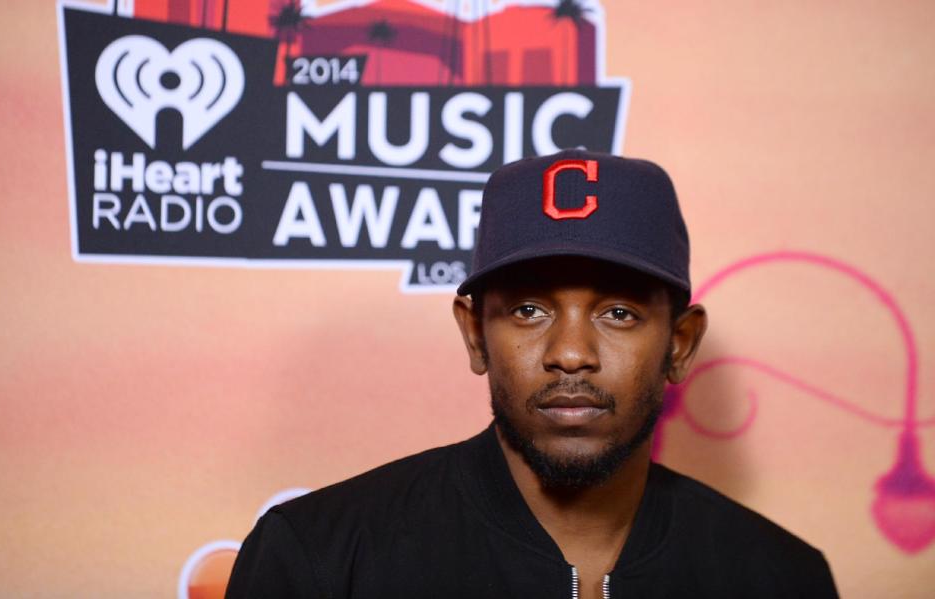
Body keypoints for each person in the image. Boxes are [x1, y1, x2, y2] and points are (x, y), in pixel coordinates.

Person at [225, 150, 838, 598]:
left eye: (618, 313)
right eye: (528, 310)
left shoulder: (782, 576)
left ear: (680, 344)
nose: (571, 354)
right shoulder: (319, 561)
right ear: (475, 334)